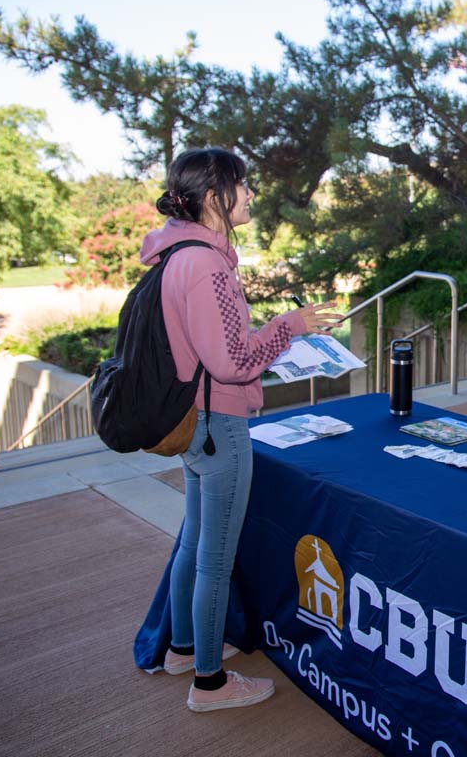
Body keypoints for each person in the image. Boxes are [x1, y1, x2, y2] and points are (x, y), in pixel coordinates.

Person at [141, 147, 341, 712]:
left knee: (196, 543)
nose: (251, 194)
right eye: (242, 186)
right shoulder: (205, 264)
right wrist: (290, 327)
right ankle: (208, 683)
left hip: (194, 421)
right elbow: (231, 360)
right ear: (214, 198)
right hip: (219, 423)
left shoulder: (176, 253)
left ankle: (183, 648)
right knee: (214, 557)